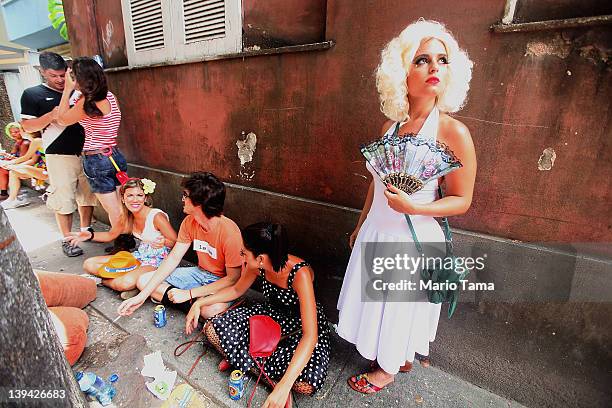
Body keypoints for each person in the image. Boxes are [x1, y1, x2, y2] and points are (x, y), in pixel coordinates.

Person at [337, 19, 476, 393]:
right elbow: (377, 182)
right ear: (401, 71)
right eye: (422, 60)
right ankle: (397, 354)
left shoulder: (452, 132)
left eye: (442, 60)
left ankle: (386, 370)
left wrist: (415, 209)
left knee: (398, 307)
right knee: (380, 303)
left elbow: (462, 200)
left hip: (414, 237)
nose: (434, 68)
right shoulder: (390, 127)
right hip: (377, 230)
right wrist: (361, 222)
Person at [185, 222, 331, 406]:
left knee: (306, 384)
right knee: (213, 329)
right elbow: (237, 290)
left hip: (300, 327)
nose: (242, 257)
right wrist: (200, 302)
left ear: (261, 258)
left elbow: (310, 336)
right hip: (270, 316)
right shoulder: (256, 265)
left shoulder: (300, 274)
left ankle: (245, 362)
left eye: (244, 253)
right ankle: (268, 376)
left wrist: (284, 387)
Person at [117, 172, 242, 315]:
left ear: (200, 202)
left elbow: (233, 279)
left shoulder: (230, 233)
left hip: (221, 281)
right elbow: (173, 258)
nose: (182, 199)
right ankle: (192, 304)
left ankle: (190, 302)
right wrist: (141, 297)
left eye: (185, 195)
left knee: (211, 310)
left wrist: (188, 293)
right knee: (144, 281)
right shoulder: (189, 222)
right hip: (199, 273)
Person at [20, 52, 97, 257]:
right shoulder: (32, 94)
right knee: (63, 198)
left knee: (87, 195)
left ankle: (85, 231)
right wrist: (49, 116)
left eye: (63, 75)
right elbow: (27, 127)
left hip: (87, 151)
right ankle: (67, 239)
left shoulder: (78, 90)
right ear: (43, 72)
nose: (60, 80)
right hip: (58, 152)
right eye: (54, 76)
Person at [56, 57, 127, 240]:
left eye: (72, 76)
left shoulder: (87, 103)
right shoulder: (110, 97)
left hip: (96, 159)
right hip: (114, 155)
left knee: (113, 210)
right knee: (122, 206)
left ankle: (122, 242)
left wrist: (67, 91)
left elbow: (62, 119)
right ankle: (126, 238)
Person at [68, 178, 177, 296]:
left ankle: (103, 280)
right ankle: (132, 282)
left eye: (139, 195)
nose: (135, 200)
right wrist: (90, 235)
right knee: (89, 264)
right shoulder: (127, 216)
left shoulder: (157, 216)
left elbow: (175, 242)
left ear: (145, 198)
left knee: (123, 283)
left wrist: (164, 242)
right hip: (140, 255)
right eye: (130, 195)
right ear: (123, 199)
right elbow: (110, 235)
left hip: (158, 260)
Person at [0, 130, 47, 209]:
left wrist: (9, 164)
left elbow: (26, 157)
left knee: (17, 168)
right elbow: (33, 160)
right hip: (41, 168)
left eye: (20, 130)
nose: (19, 132)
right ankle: (13, 199)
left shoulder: (36, 141)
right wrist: (11, 164)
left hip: (49, 169)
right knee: (13, 172)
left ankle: (12, 199)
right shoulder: (34, 141)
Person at [0, 123, 31, 200]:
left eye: (16, 131)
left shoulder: (25, 143)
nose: (13, 134)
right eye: (11, 132)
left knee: (2, 170)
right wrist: (5, 157)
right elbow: (13, 156)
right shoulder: (17, 143)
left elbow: (22, 159)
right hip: (19, 164)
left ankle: (4, 193)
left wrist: (7, 156)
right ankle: (4, 192)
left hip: (27, 165)